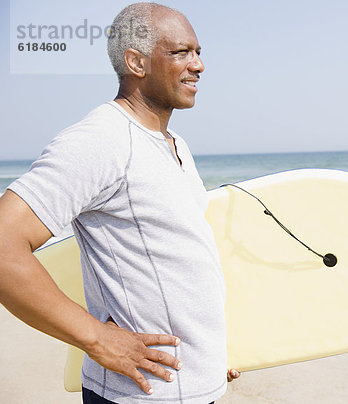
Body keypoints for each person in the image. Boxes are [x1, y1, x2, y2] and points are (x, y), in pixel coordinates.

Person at [0, 3, 239, 403]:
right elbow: (4, 244)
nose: (198, 65)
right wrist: (96, 338)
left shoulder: (175, 144)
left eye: (199, 52)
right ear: (136, 62)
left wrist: (208, 356)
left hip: (192, 385)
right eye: (181, 52)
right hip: (142, 395)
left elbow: (177, 261)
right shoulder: (101, 140)